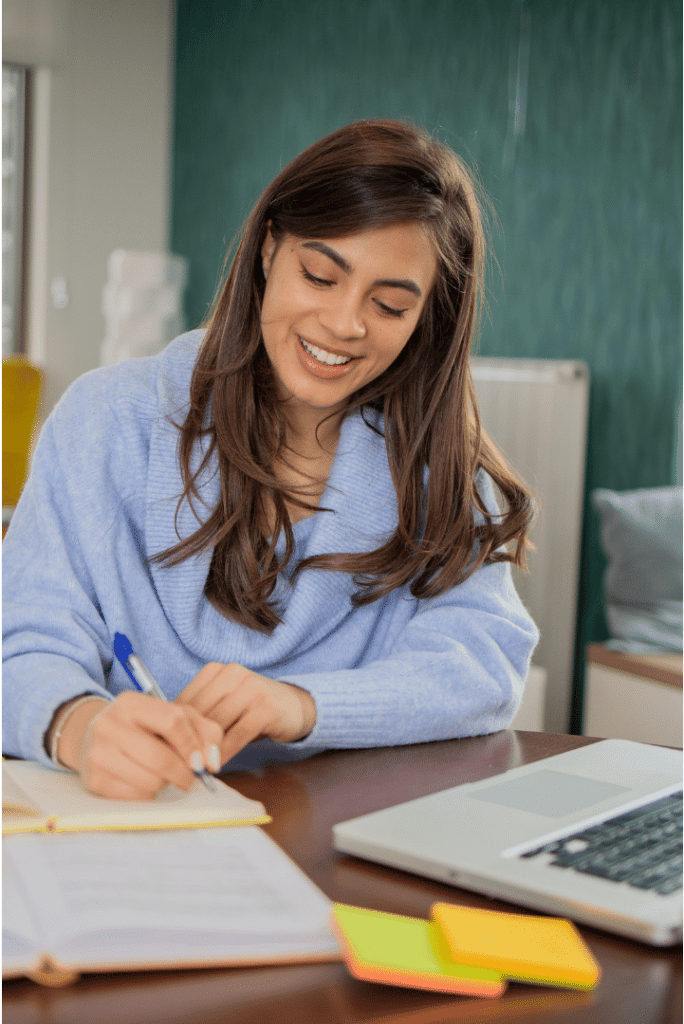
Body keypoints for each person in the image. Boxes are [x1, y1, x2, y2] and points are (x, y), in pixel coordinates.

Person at [2, 118, 538, 800]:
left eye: (390, 305)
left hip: (334, 838)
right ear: (267, 250)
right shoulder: (105, 420)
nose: (345, 323)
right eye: (319, 275)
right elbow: (24, 639)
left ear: (426, 317)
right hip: (129, 828)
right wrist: (77, 726)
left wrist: (301, 704)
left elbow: (483, 663)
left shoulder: (440, 474)